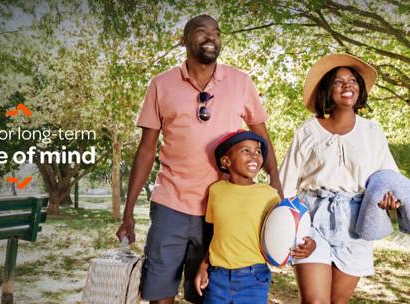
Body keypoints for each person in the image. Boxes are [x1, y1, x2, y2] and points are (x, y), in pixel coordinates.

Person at [116, 14, 283, 304]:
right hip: (171, 202)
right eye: (201, 31)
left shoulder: (241, 82)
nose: (211, 37)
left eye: (216, 33)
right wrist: (128, 211)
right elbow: (146, 150)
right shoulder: (161, 84)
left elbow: (262, 137)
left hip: (221, 207)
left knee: (204, 293)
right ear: (184, 40)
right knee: (159, 290)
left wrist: (276, 181)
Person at [279, 53, 401, 303]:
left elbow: (388, 177)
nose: (348, 85)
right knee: (314, 301)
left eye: (353, 80)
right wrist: (291, 227)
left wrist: (391, 200)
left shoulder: (372, 130)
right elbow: (286, 182)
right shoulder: (308, 130)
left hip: (355, 223)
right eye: (338, 81)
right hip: (311, 219)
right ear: (327, 90)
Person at [194, 130, 315, 304]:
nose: (255, 156)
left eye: (258, 151)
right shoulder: (216, 190)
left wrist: (308, 244)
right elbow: (216, 235)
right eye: (246, 151)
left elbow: (287, 229)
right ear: (226, 161)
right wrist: (204, 266)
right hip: (217, 277)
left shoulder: (269, 195)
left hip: (254, 278)